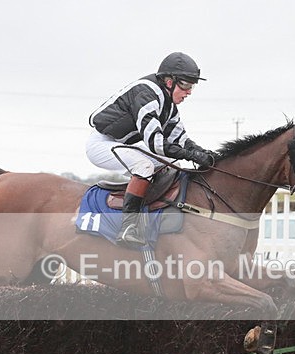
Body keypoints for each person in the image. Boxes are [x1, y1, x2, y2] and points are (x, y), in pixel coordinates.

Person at [86, 52, 215, 246]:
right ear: (170, 81)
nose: (189, 92)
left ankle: (156, 215)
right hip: (101, 144)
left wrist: (203, 153)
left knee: (173, 163)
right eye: (186, 85)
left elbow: (180, 139)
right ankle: (129, 226)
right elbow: (156, 143)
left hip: (122, 144)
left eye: (192, 86)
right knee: (144, 166)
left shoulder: (169, 105)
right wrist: (192, 155)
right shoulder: (146, 95)